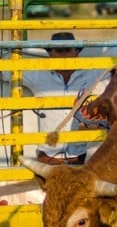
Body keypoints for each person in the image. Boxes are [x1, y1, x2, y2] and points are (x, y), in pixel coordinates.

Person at [22, 32, 106, 164]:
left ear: (77, 51)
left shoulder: (93, 73)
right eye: (59, 51)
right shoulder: (38, 75)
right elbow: (7, 71)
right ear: (50, 53)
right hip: (48, 156)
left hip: (81, 155)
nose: (64, 55)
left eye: (68, 50)